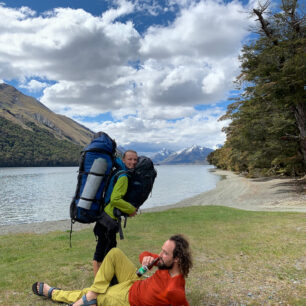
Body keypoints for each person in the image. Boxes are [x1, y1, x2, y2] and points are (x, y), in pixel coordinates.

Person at [32, 234, 192, 306]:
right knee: (115, 253)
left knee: (97, 295)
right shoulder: (166, 263)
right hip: (135, 283)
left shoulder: (175, 290)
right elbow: (143, 255)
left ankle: (53, 293)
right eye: (161, 250)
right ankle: (93, 294)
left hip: (129, 300)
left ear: (177, 258)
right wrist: (146, 258)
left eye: (165, 252)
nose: (160, 254)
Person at [92, 150, 138, 276]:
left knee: (104, 248)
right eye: (130, 159)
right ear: (123, 160)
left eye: (135, 160)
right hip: (109, 220)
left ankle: (103, 278)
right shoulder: (123, 176)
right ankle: (99, 282)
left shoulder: (116, 172)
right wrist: (131, 209)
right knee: (105, 250)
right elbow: (115, 199)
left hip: (103, 215)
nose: (133, 162)